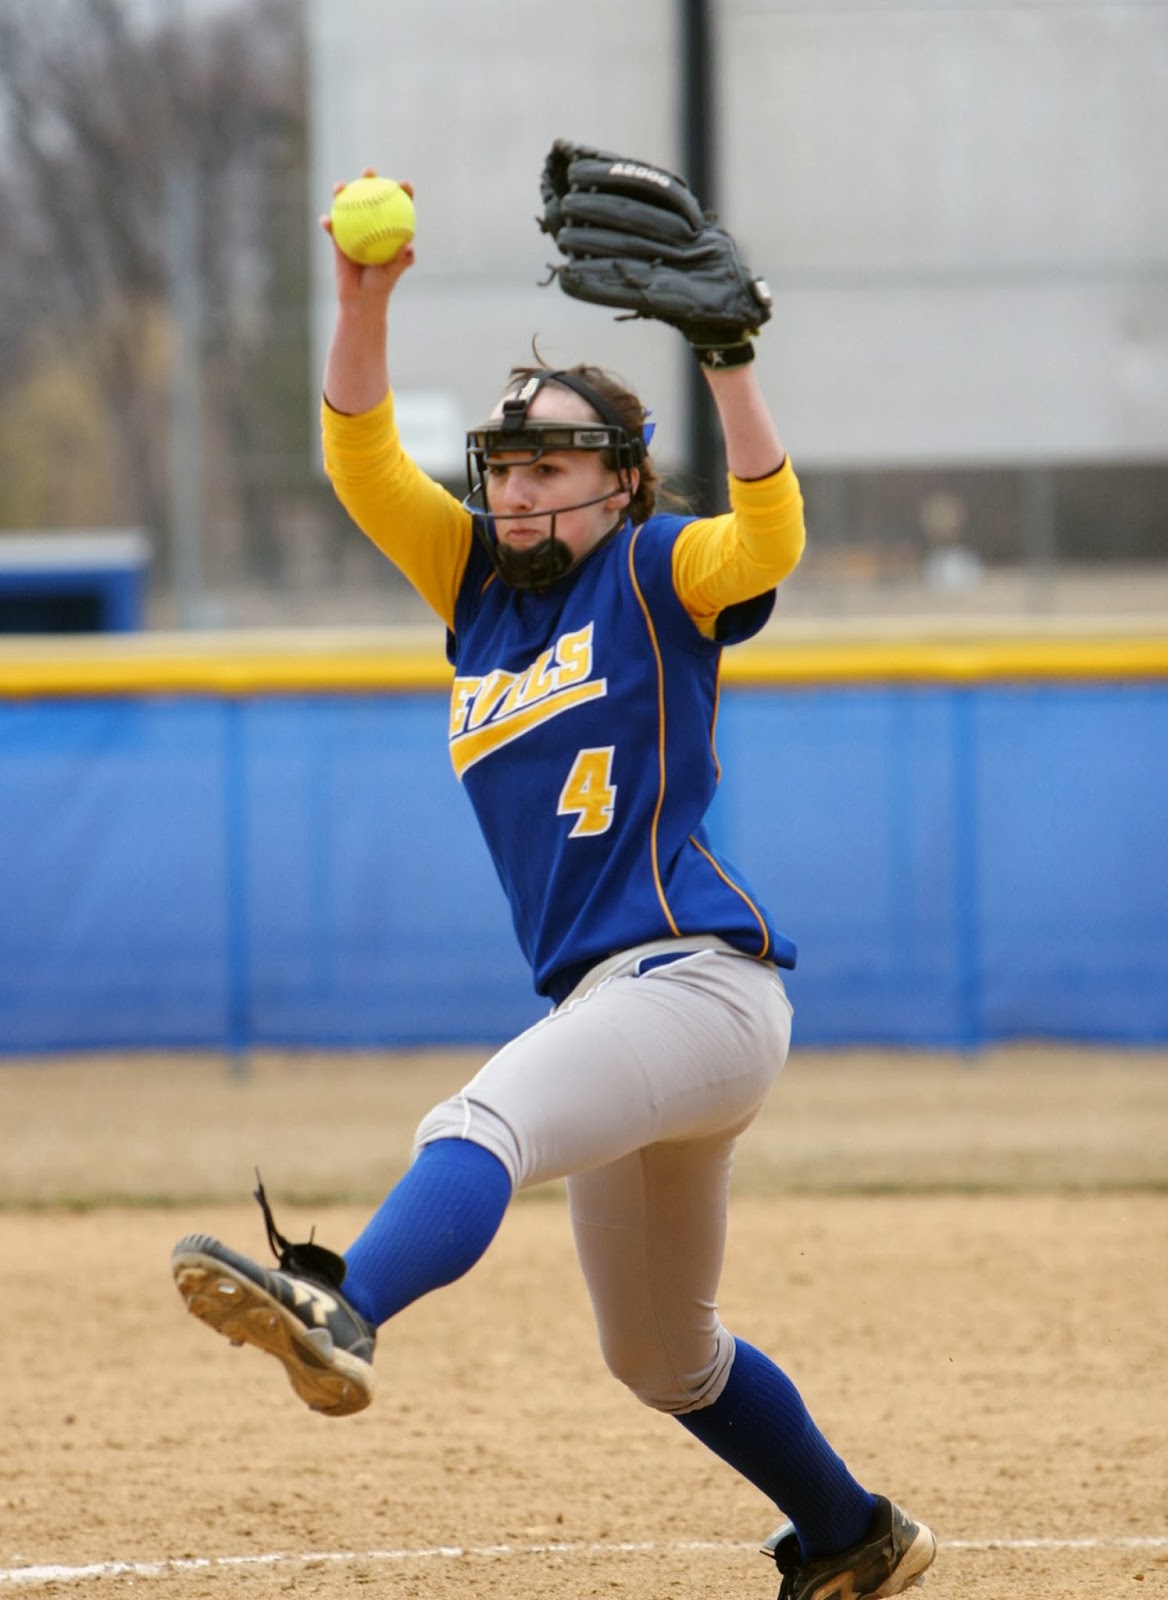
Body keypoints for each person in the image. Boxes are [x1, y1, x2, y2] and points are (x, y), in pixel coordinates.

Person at [172, 154, 936, 1600]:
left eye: (552, 467)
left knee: (480, 1116)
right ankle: (852, 1537)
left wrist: (729, 360)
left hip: (695, 984)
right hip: (624, 1006)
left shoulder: (657, 569)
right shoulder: (469, 586)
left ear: (621, 482)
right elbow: (357, 457)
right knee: (659, 1354)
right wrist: (360, 300)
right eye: (506, 468)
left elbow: (773, 532)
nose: (518, 491)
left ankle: (344, 1307)